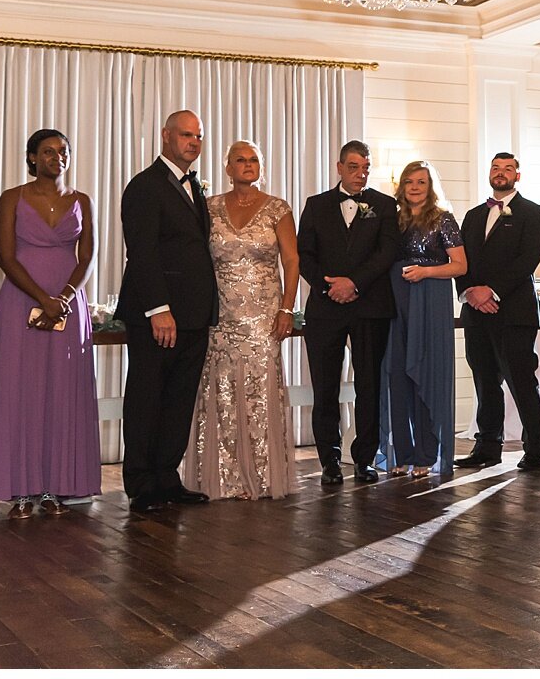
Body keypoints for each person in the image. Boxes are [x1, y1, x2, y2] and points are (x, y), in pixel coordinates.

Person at [0, 129, 100, 517]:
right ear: (32, 158)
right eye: (48, 152)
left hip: (68, 307)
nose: (57, 157)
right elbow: (4, 256)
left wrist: (62, 298)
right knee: (20, 391)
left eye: (63, 151)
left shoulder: (82, 200)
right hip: (20, 303)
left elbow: (88, 257)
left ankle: (56, 486)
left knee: (63, 391)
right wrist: (42, 299)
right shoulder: (12, 198)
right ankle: (20, 490)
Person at [185, 140, 300, 500]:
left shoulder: (278, 208)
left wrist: (286, 309)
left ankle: (264, 475)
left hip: (264, 315)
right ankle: (224, 475)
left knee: (259, 392)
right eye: (240, 160)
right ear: (227, 168)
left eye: (253, 160)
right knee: (220, 390)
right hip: (220, 315)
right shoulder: (209, 207)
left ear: (261, 167)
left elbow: (292, 262)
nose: (247, 165)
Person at [116, 111, 217, 513]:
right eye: (186, 135)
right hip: (157, 313)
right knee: (147, 396)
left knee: (178, 399)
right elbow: (142, 253)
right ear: (165, 136)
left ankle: (167, 478)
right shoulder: (144, 186)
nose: (193, 142)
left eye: (199, 136)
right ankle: (141, 484)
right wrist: (159, 309)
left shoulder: (196, 187)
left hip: (194, 314)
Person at [298, 140, 399, 485]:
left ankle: (366, 458)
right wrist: (330, 288)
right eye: (354, 167)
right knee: (325, 386)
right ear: (339, 167)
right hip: (325, 309)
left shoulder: (385, 206)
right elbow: (304, 256)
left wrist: (354, 283)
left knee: (369, 384)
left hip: (370, 306)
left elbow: (387, 252)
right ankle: (329, 459)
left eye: (366, 167)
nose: (360, 173)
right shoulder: (316, 205)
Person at [455, 152, 540, 471]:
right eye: (496, 167)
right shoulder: (472, 215)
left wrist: (491, 291)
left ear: (517, 176)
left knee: (521, 380)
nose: (501, 173)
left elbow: (528, 259)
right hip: (476, 312)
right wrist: (470, 292)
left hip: (515, 312)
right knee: (484, 380)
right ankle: (487, 446)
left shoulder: (534, 213)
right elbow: (460, 259)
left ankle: (535, 447)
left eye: (508, 168)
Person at [381, 161, 466, 479]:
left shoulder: (442, 219)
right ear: (401, 186)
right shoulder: (393, 220)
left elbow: (460, 265)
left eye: (421, 182)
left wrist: (426, 271)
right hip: (397, 300)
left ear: (430, 186)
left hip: (430, 301)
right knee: (397, 374)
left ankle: (426, 454)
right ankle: (401, 453)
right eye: (409, 182)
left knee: (427, 375)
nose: (415, 187)